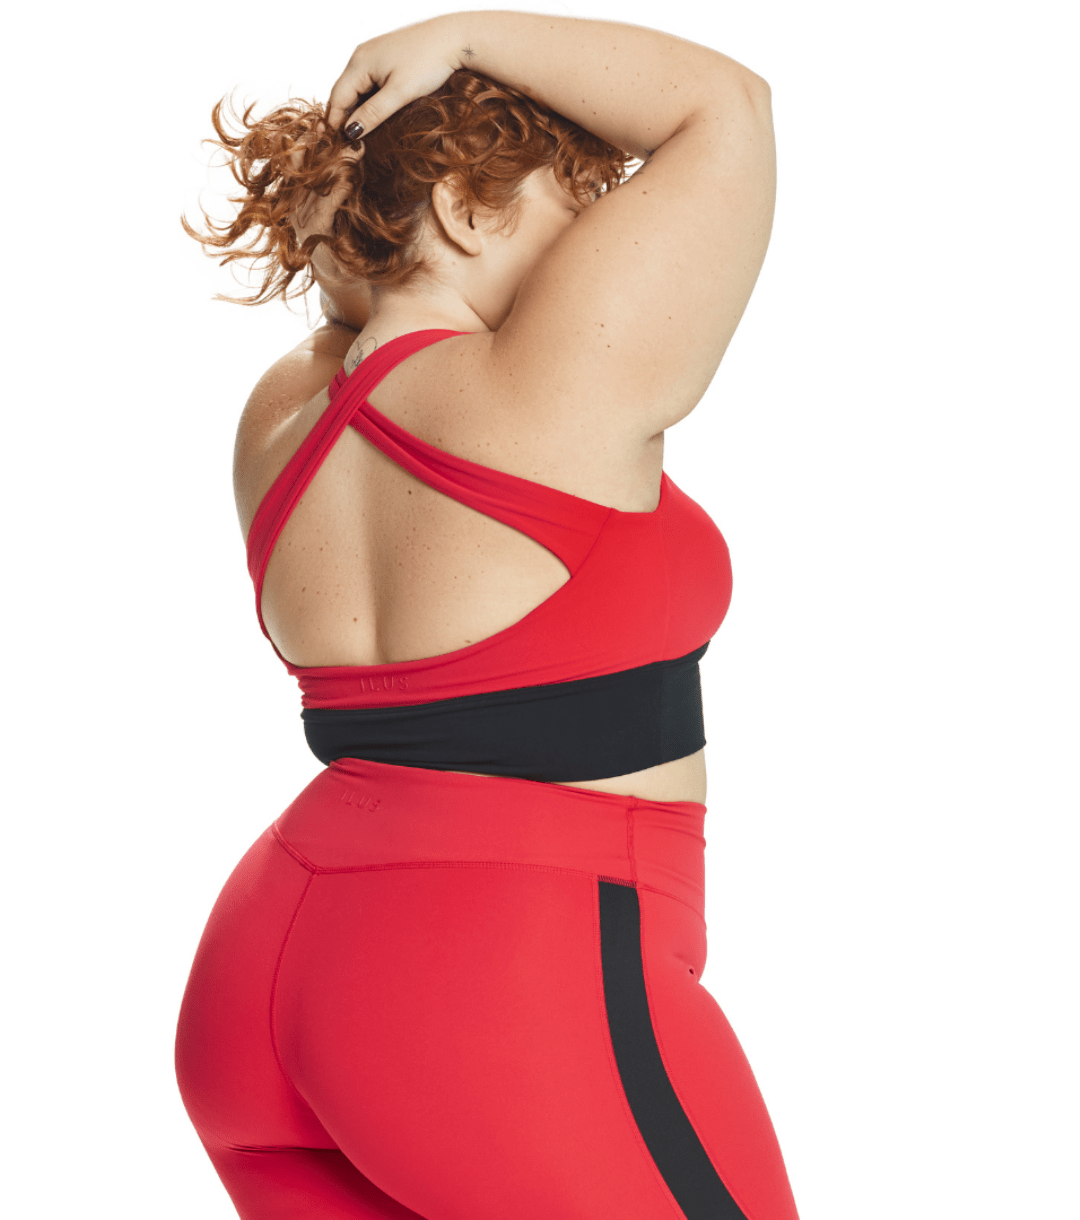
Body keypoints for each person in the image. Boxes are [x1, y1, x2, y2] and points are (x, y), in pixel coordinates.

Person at [175, 11, 794, 1219]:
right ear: (466, 207)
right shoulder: (548, 389)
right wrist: (463, 39)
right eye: (578, 200)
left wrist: (370, 188)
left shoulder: (283, 417)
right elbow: (726, 109)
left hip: (262, 980)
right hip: (499, 972)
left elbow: (365, 292)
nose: (599, 236)